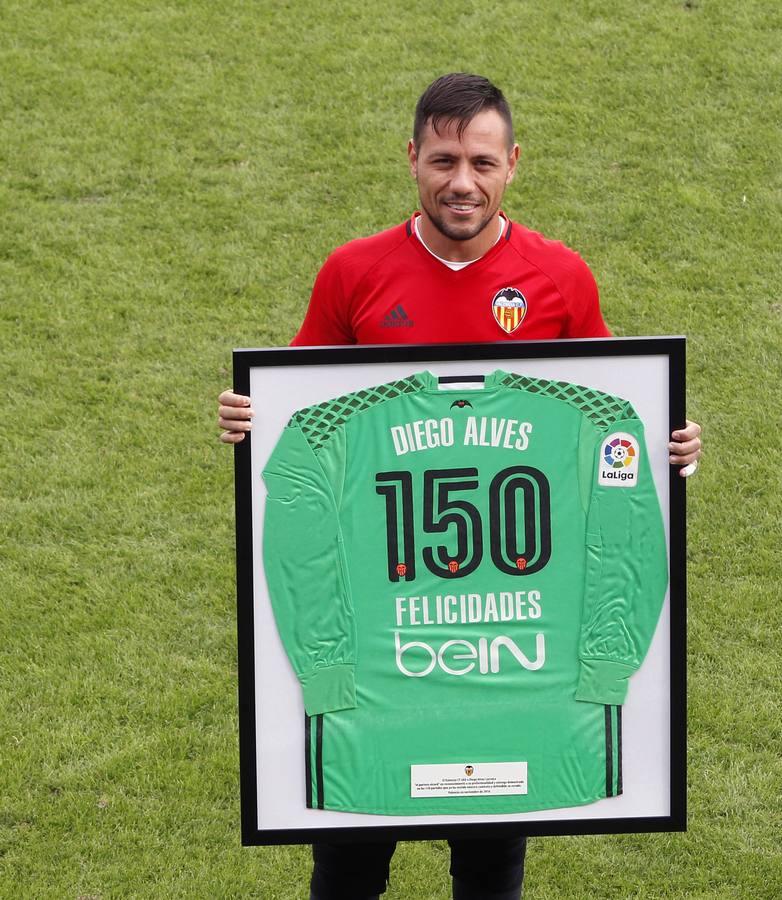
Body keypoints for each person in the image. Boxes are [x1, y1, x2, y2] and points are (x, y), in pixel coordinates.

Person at [217, 73, 701, 900]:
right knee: (350, 856)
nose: (461, 183)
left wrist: (666, 442)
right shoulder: (354, 272)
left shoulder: (558, 277)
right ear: (412, 160)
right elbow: (302, 401)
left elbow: (614, 416)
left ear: (514, 164)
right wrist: (250, 415)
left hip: (513, 637)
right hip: (386, 622)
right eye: (443, 160)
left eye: (481, 161)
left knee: (490, 856)